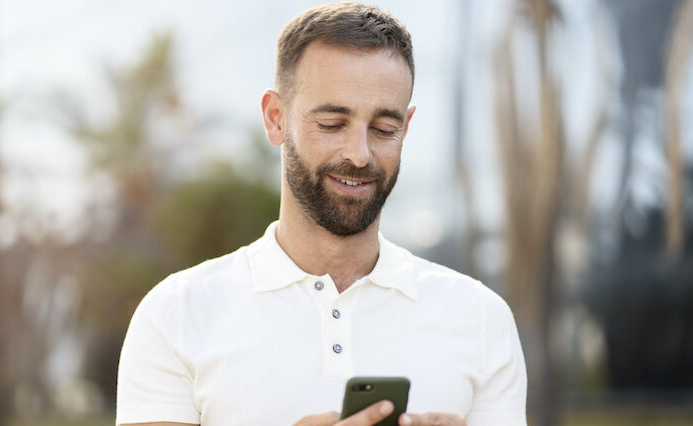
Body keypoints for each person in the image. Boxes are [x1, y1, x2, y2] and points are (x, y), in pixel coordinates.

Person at [115, 2, 527, 425]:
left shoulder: (479, 319)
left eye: (385, 129)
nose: (360, 154)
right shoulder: (176, 315)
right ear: (276, 119)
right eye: (332, 124)